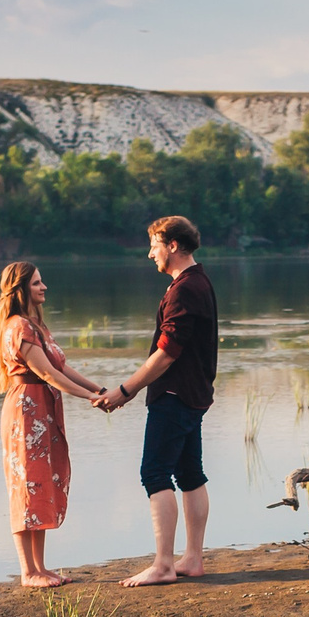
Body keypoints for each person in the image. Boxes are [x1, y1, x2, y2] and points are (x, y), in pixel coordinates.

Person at [94, 216, 216, 587]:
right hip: (194, 395)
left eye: (154, 245)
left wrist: (124, 391)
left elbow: (166, 353)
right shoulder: (200, 282)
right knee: (190, 474)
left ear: (173, 245)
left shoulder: (183, 290)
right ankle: (192, 559)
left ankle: (164, 565)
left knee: (155, 474)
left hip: (176, 395)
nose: (150, 254)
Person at [0, 260, 112, 588]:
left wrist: (98, 389)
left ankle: (40, 567)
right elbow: (47, 374)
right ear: (20, 290)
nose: (43, 287)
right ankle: (28, 571)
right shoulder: (18, 327)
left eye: (41, 282)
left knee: (41, 483)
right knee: (25, 485)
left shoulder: (37, 325)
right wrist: (90, 398)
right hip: (25, 411)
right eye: (36, 283)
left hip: (42, 409)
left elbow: (62, 369)